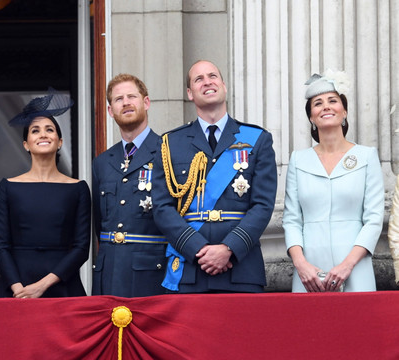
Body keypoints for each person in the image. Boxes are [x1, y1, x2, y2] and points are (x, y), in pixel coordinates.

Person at [151, 60, 277, 293]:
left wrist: (229, 248)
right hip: (190, 268)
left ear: (224, 86)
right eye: (198, 79)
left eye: (212, 76)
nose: (207, 82)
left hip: (241, 268)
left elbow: (263, 205)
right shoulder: (170, 143)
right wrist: (197, 249)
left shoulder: (257, 139)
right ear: (190, 93)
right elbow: (161, 207)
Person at [284, 70, 383, 292]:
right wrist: (301, 265)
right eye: (317, 103)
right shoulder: (298, 160)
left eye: (333, 100)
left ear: (344, 110)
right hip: (309, 271)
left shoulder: (366, 156)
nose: (326, 106)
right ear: (311, 116)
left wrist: (347, 265)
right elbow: (291, 220)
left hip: (354, 267)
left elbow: (374, 219)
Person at [0, 88, 90, 298]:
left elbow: (82, 248)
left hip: (63, 286)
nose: (43, 134)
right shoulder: (7, 187)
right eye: (35, 130)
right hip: (16, 288)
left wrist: (42, 286)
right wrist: (19, 289)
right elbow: (1, 246)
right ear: (26, 144)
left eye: (50, 129)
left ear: (60, 142)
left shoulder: (78, 188)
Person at [91, 74, 167, 297]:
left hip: (152, 274)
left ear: (146, 102)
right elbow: (100, 224)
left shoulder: (168, 152)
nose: (125, 103)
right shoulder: (102, 162)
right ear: (110, 110)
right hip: (109, 273)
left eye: (131, 96)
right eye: (118, 99)